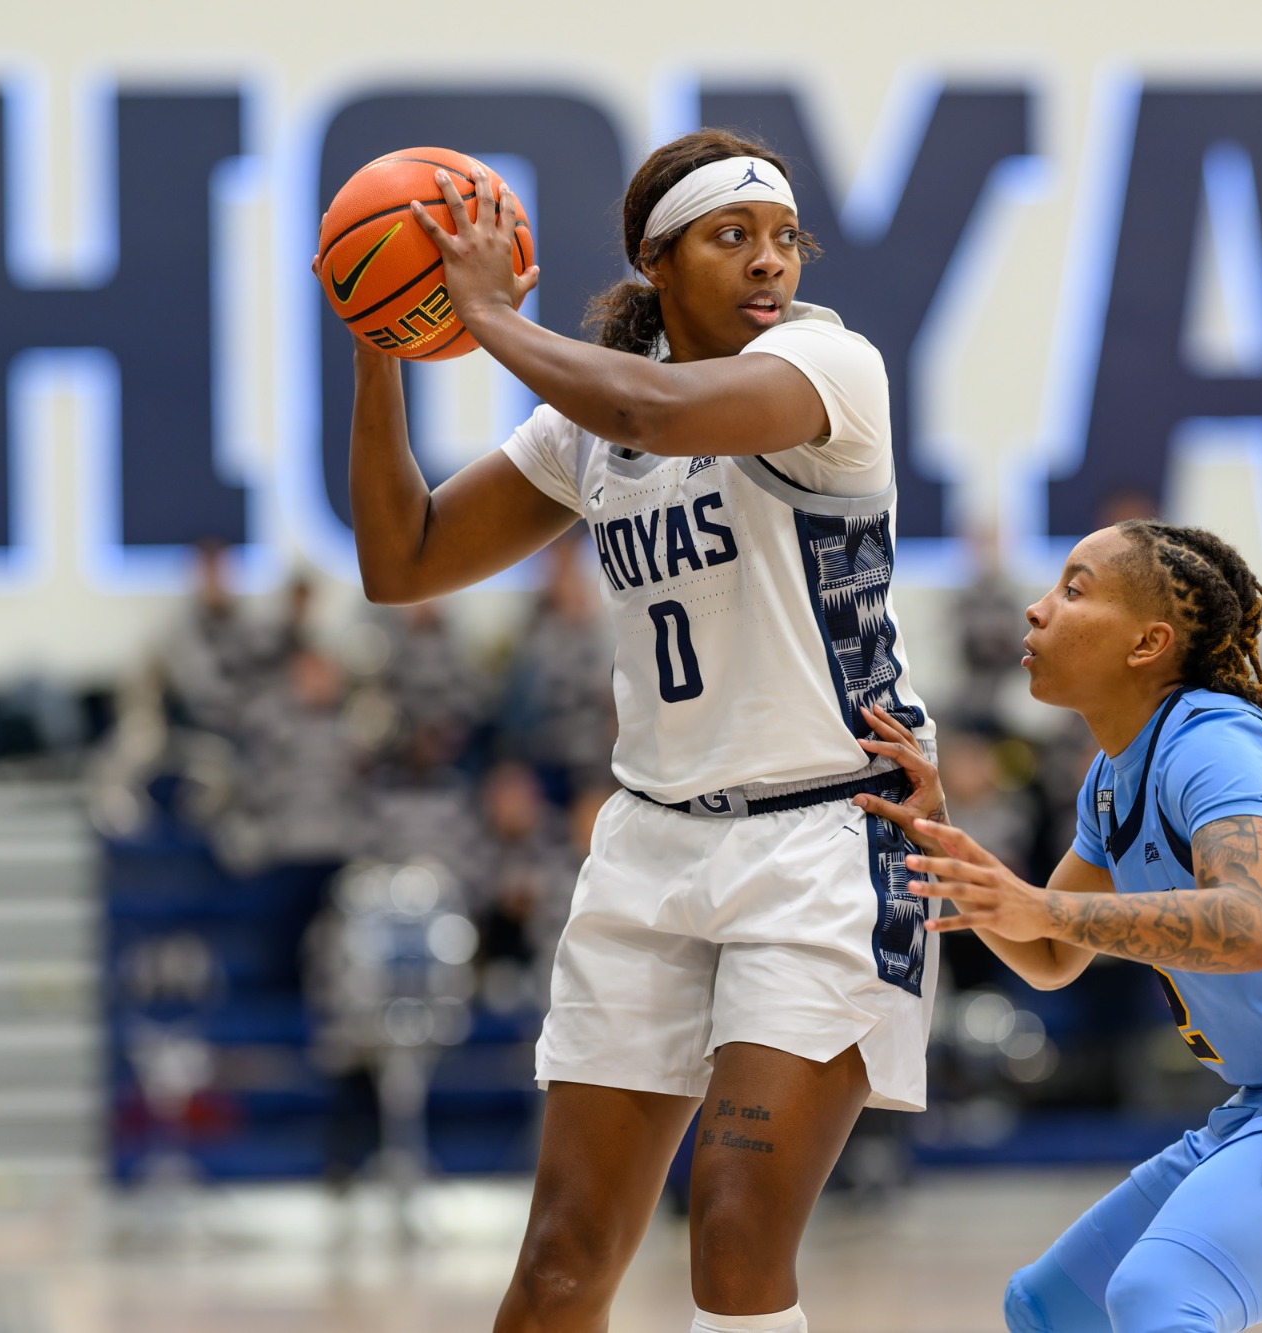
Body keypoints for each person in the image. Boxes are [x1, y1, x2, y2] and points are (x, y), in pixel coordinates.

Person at [328, 129, 937, 1333]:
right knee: (558, 1261)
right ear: (657, 263)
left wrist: (486, 315)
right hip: (652, 845)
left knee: (731, 1230)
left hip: (823, 839)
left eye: (783, 239)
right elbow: (400, 563)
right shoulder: (586, 424)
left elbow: (653, 409)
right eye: (731, 238)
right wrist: (383, 347)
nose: (768, 263)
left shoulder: (828, 366)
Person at [854, 520, 1262, 1333]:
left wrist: (1038, 904)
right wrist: (949, 839)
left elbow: (1248, 924)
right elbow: (1054, 953)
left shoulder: (1215, 745)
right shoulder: (1111, 776)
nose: (1035, 609)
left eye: (1073, 589)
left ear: (1149, 642)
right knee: (1051, 1307)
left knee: (1160, 1295)